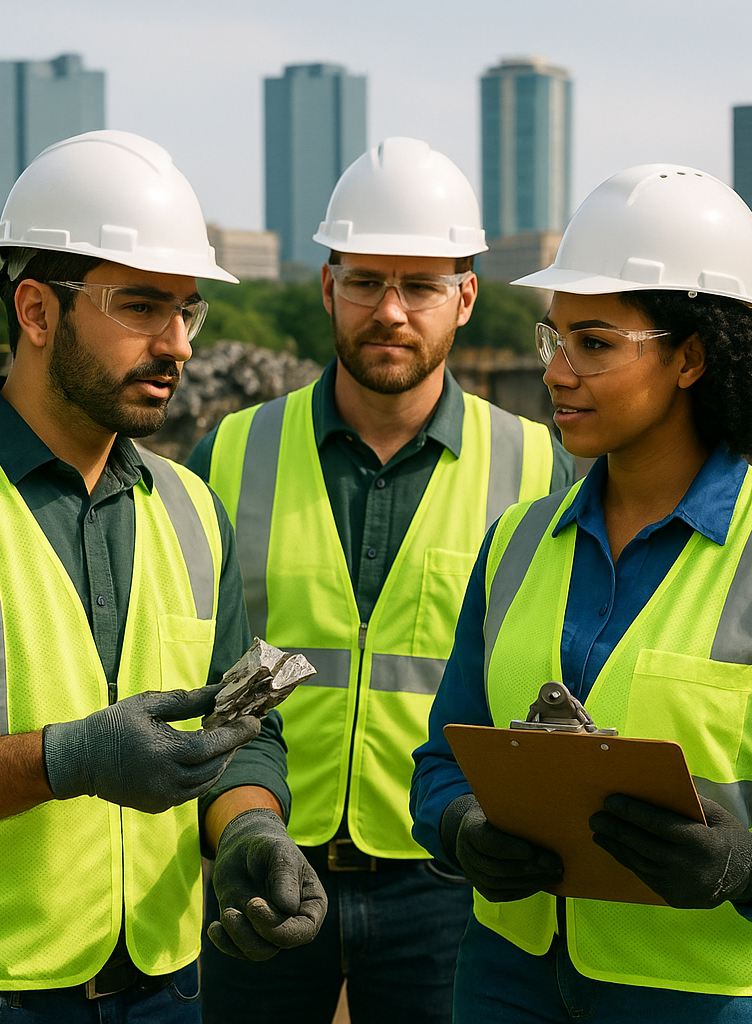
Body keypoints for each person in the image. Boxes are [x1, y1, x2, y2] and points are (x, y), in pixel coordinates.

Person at [0, 130, 326, 1024]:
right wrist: (65, 760)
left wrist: (250, 826)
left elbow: (243, 728)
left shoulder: (190, 510)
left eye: (189, 311)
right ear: (36, 312)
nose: (179, 344)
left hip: (166, 991)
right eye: (143, 306)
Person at [410, 163, 752, 1022]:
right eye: (555, 340)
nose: (555, 371)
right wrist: (461, 829)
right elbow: (444, 760)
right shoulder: (516, 544)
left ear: (693, 356)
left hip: (712, 995)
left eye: (594, 343)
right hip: (508, 984)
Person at [186, 136, 574, 1023]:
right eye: (364, 281)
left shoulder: (535, 467)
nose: (390, 311)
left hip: (450, 874)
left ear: (465, 298)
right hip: (262, 857)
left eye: (421, 285)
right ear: (328, 288)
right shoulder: (232, 453)